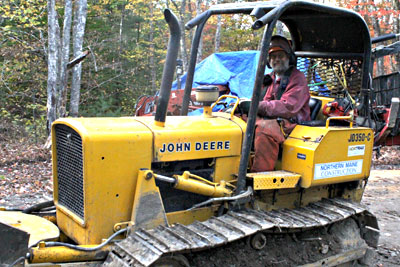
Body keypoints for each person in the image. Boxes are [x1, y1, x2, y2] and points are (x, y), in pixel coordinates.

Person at [251, 35, 310, 172]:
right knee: (237, 121)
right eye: (273, 56)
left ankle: (259, 179)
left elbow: (288, 107)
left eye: (281, 55)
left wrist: (257, 106)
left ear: (289, 57)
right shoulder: (269, 78)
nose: (276, 59)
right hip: (275, 120)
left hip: (294, 125)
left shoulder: (297, 79)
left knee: (265, 130)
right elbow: (262, 101)